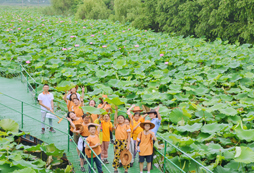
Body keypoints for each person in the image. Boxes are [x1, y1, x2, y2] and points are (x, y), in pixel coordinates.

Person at [113, 106, 131, 173]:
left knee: (125, 155)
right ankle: (115, 168)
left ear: (124, 119)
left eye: (121, 118)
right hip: (117, 141)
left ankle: (126, 169)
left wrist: (128, 144)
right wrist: (116, 111)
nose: (120, 119)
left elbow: (129, 136)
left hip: (124, 141)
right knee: (116, 155)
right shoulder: (116, 125)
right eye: (119, 118)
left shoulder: (127, 126)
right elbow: (114, 119)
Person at [143, 106, 161, 171]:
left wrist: (157, 111)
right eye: (149, 114)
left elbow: (159, 119)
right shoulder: (151, 120)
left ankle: (149, 166)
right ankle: (149, 165)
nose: (150, 115)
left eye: (151, 114)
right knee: (147, 152)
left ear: (155, 114)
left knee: (150, 152)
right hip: (146, 138)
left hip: (151, 138)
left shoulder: (156, 120)